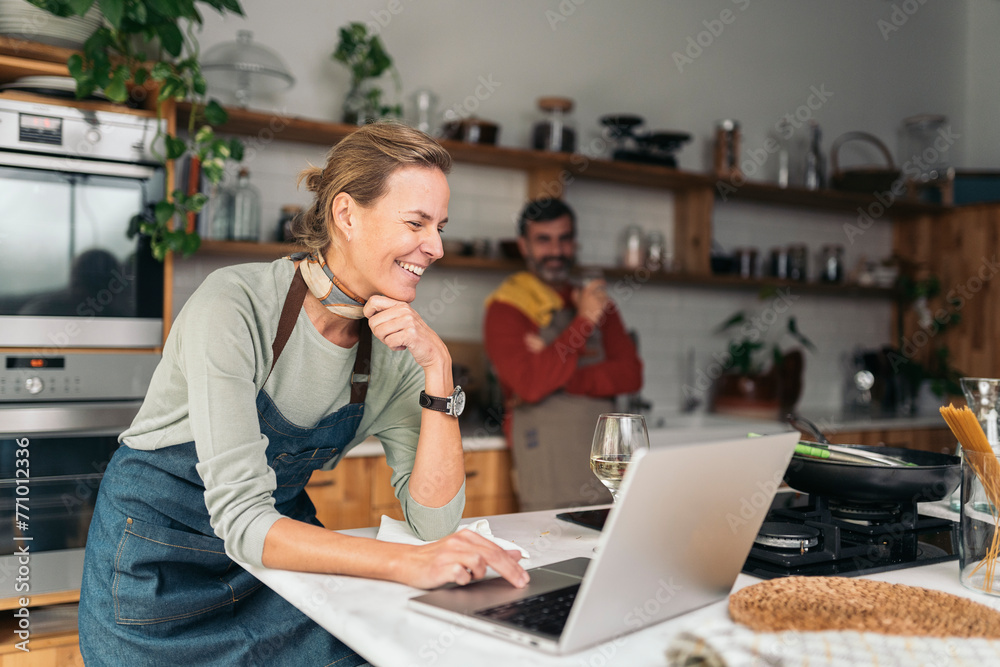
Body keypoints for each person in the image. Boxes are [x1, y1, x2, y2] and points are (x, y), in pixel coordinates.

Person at [78, 122, 529, 666]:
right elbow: (242, 519)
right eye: (416, 222)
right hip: (153, 577)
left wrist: (439, 371)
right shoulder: (234, 304)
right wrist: (405, 563)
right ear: (345, 215)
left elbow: (432, 523)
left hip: (274, 574)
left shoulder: (400, 348)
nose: (434, 247)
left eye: (440, 226)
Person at [483, 198, 643, 511]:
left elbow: (631, 375)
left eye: (564, 239)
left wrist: (559, 372)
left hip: (607, 462)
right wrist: (582, 322)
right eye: (543, 240)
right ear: (524, 246)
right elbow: (529, 386)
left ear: (575, 242)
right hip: (547, 463)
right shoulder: (506, 309)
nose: (556, 251)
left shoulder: (600, 304)